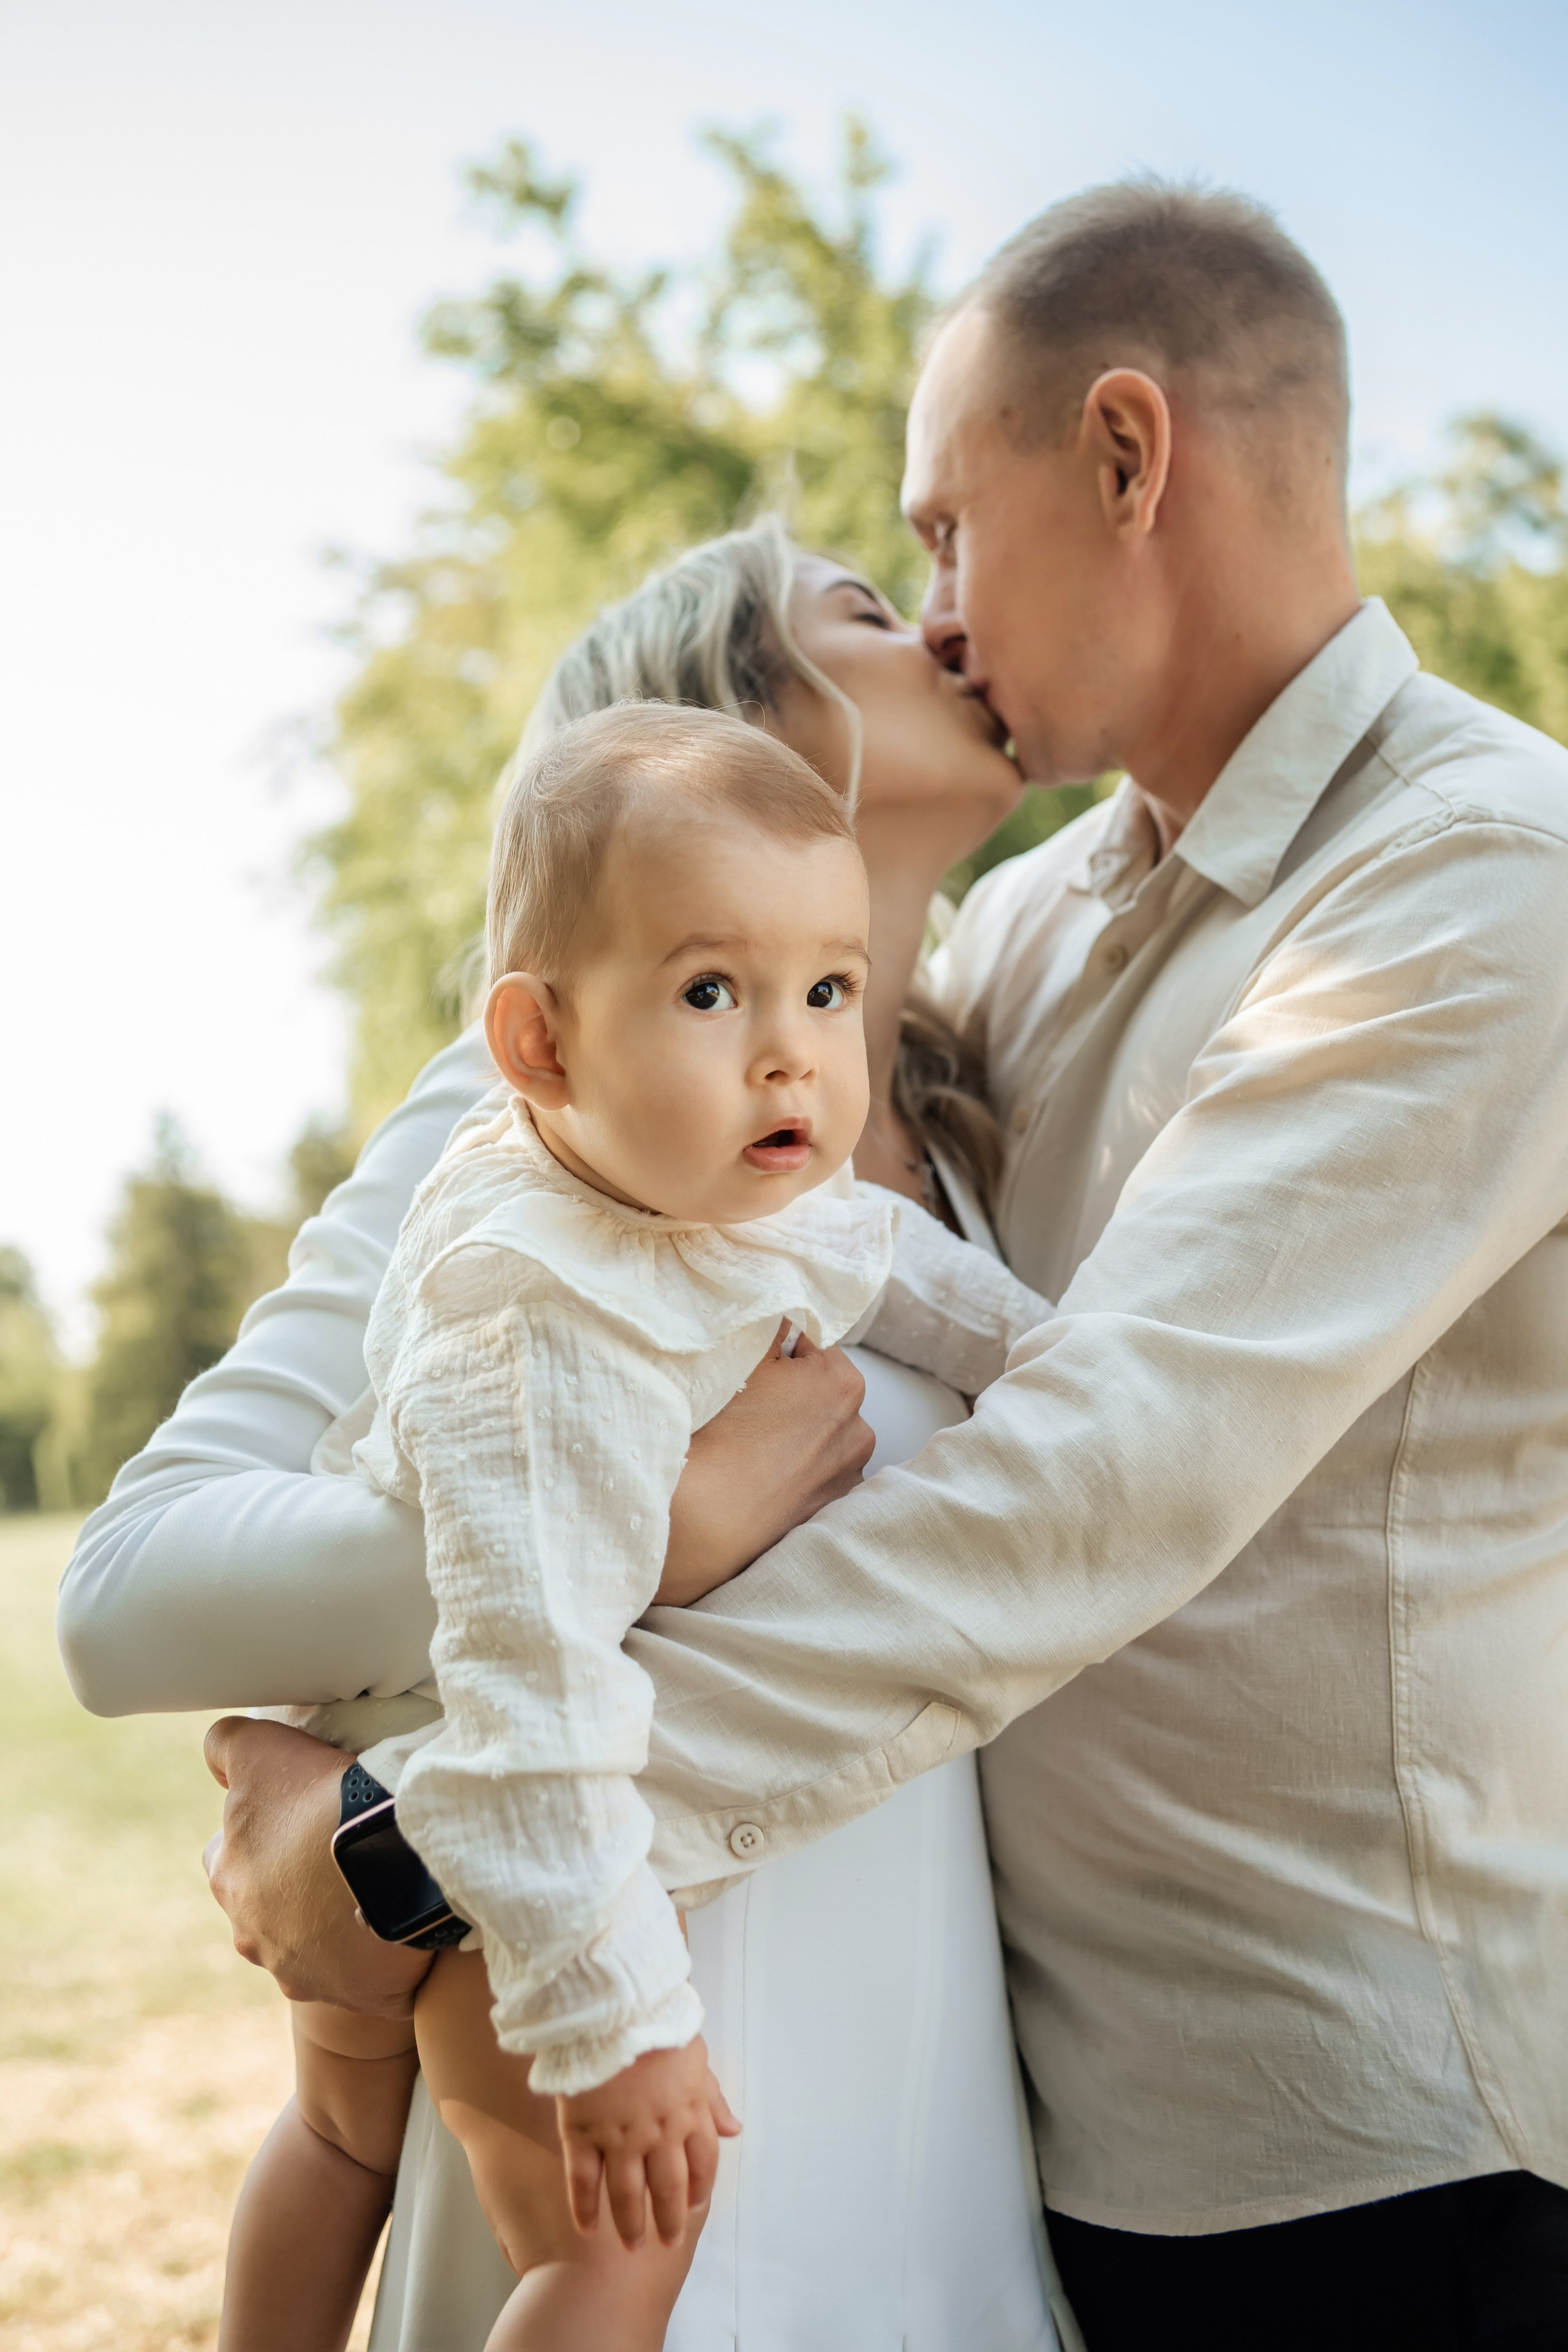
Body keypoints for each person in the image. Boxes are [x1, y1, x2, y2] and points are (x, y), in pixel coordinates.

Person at [118, 177, 1568, 2350]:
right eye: (895, 589)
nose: (951, 616)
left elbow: (1093, 1471)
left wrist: (433, 1834)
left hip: (1354, 2129)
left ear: (1127, 457)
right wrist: (595, 1608)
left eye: (943, 541)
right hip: (963, 2090)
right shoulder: (1009, 950)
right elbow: (172, 1559)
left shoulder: (1463, 885)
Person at [61, 526, 1068, 2350]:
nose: (940, 620)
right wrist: (639, 1527)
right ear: (728, 724)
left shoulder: (942, 1121)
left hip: (913, 2092)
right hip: (608, 2026)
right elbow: (125, 1593)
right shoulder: (533, 1132)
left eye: (822, 989)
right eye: (861, 612)